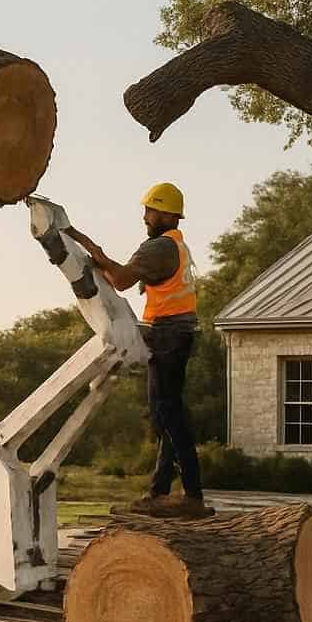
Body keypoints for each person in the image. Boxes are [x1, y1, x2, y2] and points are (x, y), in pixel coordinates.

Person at [63, 183, 210, 519]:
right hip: (175, 333)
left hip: (169, 335)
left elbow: (122, 281)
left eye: (152, 210)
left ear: (170, 214)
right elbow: (122, 276)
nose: (145, 216)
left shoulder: (159, 247)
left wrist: (89, 247)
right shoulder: (174, 245)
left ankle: (192, 494)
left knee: (167, 414)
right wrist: (91, 249)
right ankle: (160, 491)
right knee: (169, 413)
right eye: (146, 210)